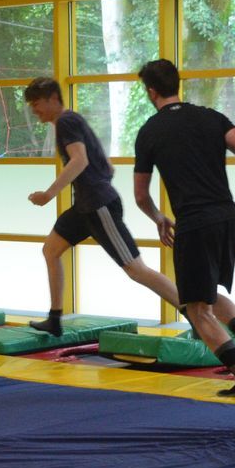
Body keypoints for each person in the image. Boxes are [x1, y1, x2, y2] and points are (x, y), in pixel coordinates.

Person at [132, 58, 235, 398]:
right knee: (205, 293)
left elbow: (140, 195)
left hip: (194, 222)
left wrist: (159, 218)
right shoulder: (211, 117)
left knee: (195, 309)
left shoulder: (149, 131)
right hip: (227, 216)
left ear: (151, 91)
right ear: (177, 84)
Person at [21, 77, 181, 338]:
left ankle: (194, 314)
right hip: (84, 207)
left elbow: (80, 160)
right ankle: (55, 318)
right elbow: (106, 164)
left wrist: (49, 194)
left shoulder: (66, 121)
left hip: (98, 206)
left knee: (136, 270)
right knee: (50, 250)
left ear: (52, 99)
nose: (34, 110)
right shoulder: (71, 121)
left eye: (36, 103)